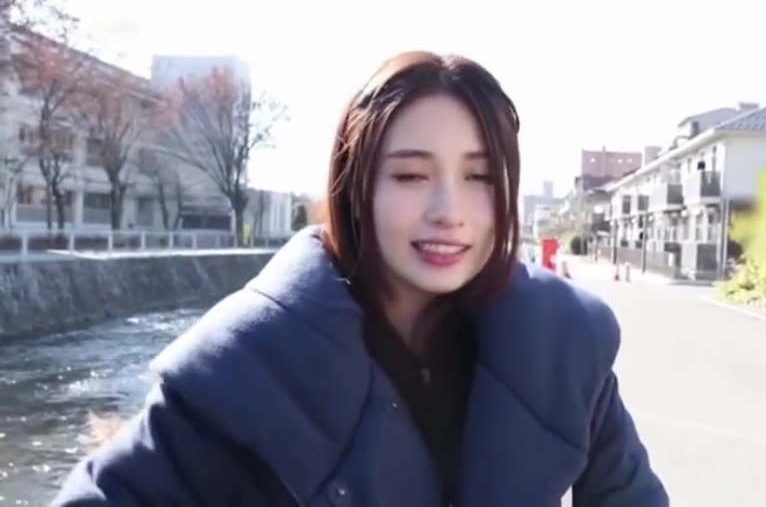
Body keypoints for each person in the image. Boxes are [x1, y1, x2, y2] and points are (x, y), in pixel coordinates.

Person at [51, 51, 668, 507]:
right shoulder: (247, 360)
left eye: (479, 177)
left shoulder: (562, 339)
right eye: (410, 175)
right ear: (356, 188)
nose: (448, 210)